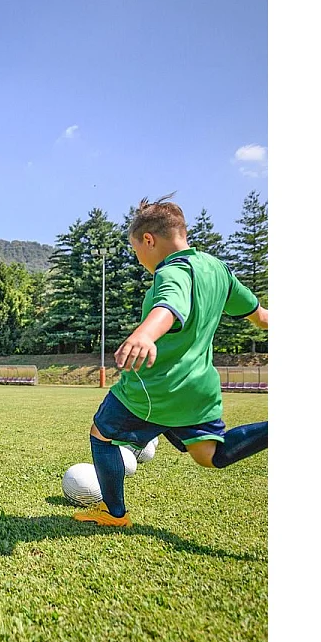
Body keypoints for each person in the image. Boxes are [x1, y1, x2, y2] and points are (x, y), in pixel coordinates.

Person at [75, 194, 268, 527]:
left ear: (149, 240)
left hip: (154, 389)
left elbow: (169, 305)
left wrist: (145, 334)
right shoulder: (218, 270)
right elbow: (261, 317)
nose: (139, 259)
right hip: (199, 392)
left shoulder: (172, 271)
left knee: (101, 434)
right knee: (210, 455)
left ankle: (114, 513)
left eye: (136, 249)